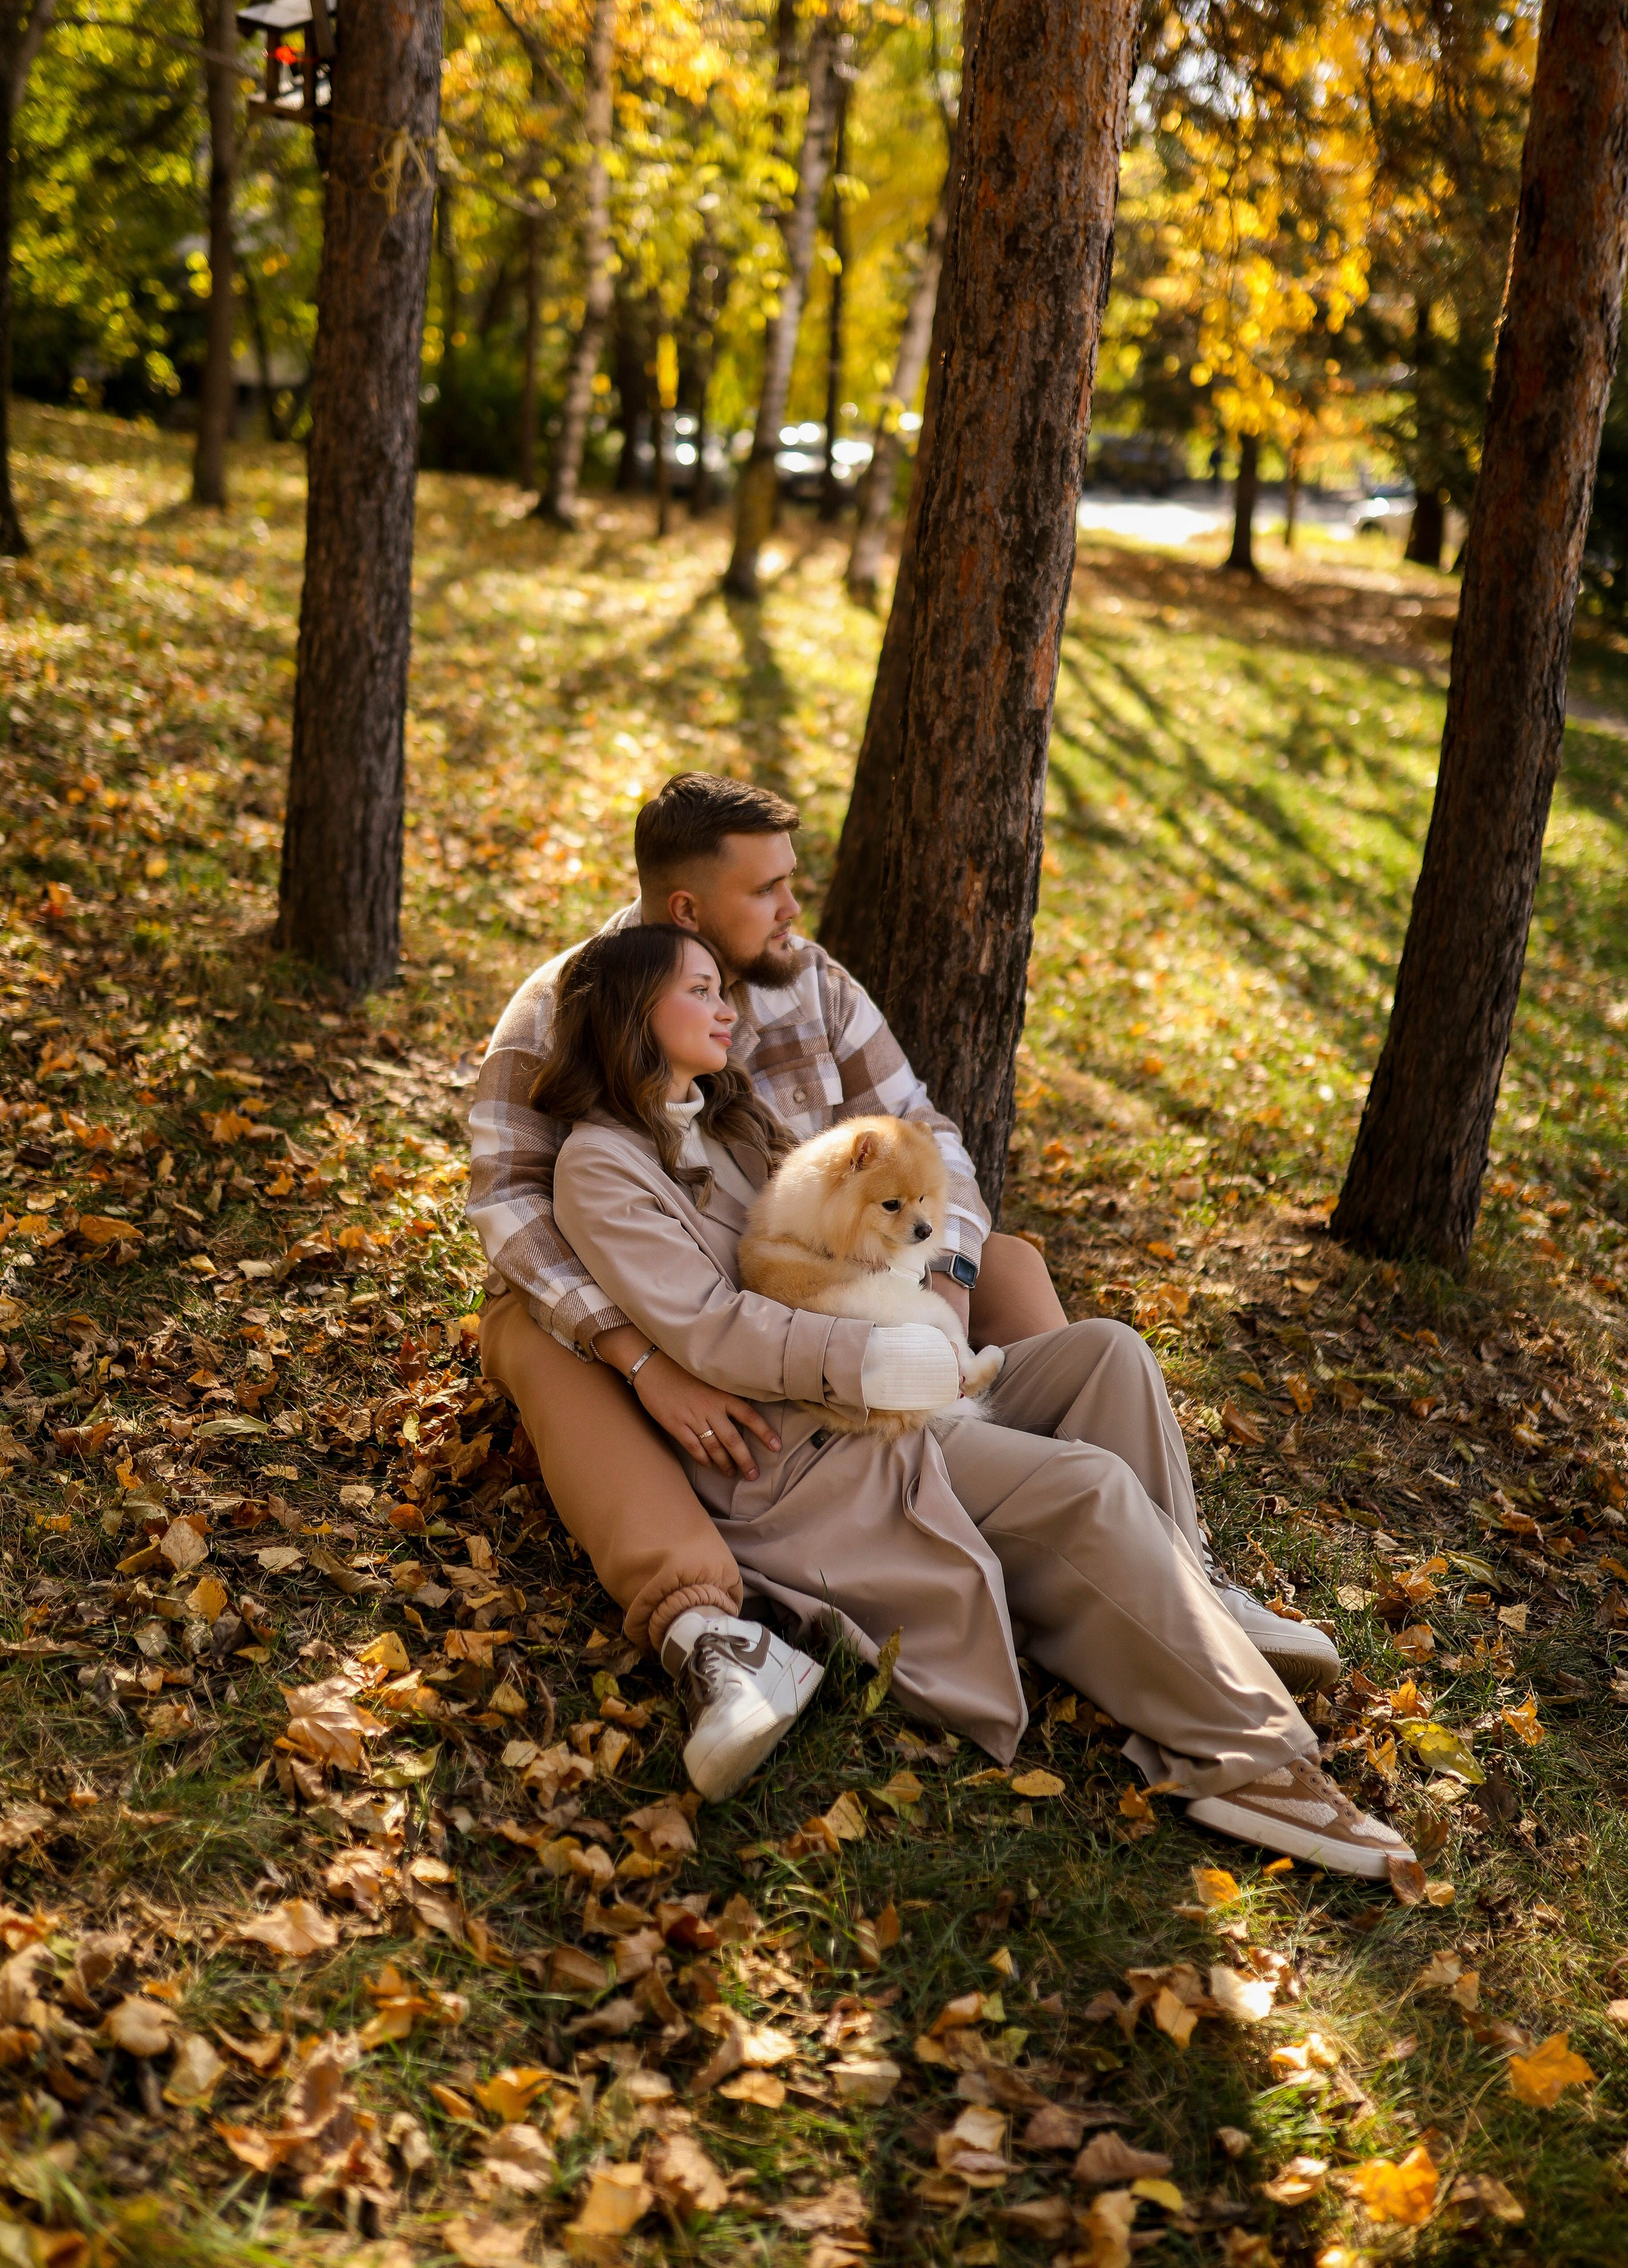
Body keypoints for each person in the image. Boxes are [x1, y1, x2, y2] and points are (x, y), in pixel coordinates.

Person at [469, 773, 1337, 1792]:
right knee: (530, 1335)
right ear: (687, 910)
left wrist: (945, 1285)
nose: (795, 909)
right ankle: (712, 1631)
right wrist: (645, 1356)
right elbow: (511, 1210)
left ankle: (1160, 1565)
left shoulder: (816, 986)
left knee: (1027, 1278)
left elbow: (932, 1143)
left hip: (853, 1283)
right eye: (769, 891)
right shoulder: (567, 1008)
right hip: (667, 1317)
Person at [528, 921, 1413, 1877]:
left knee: (1106, 1354)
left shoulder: (734, 1121)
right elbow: (708, 1327)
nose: (726, 1008)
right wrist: (876, 1364)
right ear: (633, 1014)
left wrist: (933, 1298)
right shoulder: (600, 1166)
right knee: (1085, 1488)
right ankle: (1252, 1761)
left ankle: (1190, 1602)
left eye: (722, 989)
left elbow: (859, 1220)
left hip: (892, 1380)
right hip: (816, 1445)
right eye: (699, 991)